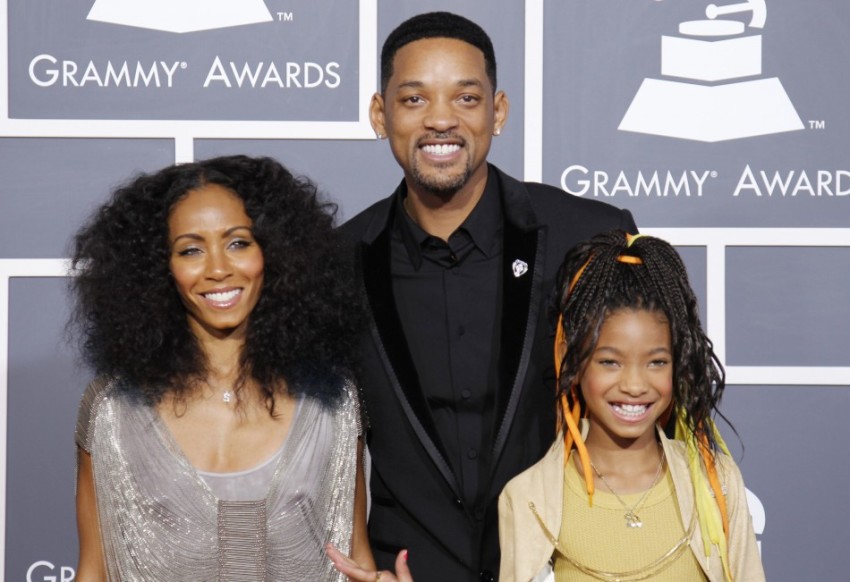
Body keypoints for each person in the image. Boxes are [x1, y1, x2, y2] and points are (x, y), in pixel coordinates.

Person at [338, 11, 637, 581]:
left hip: (570, 564)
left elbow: (653, 411)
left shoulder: (590, 235)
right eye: (414, 100)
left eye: (466, 99)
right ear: (381, 115)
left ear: (497, 111)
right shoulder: (336, 260)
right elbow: (324, 438)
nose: (442, 120)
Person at [71, 155, 374, 580]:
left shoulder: (332, 402)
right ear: (160, 269)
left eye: (238, 243)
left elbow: (356, 558)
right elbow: (94, 570)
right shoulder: (113, 411)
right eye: (191, 249)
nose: (218, 269)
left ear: (276, 251)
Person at [498, 231, 765, 581]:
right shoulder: (529, 499)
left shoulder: (718, 484)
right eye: (610, 362)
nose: (635, 386)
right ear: (572, 361)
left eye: (656, 362)